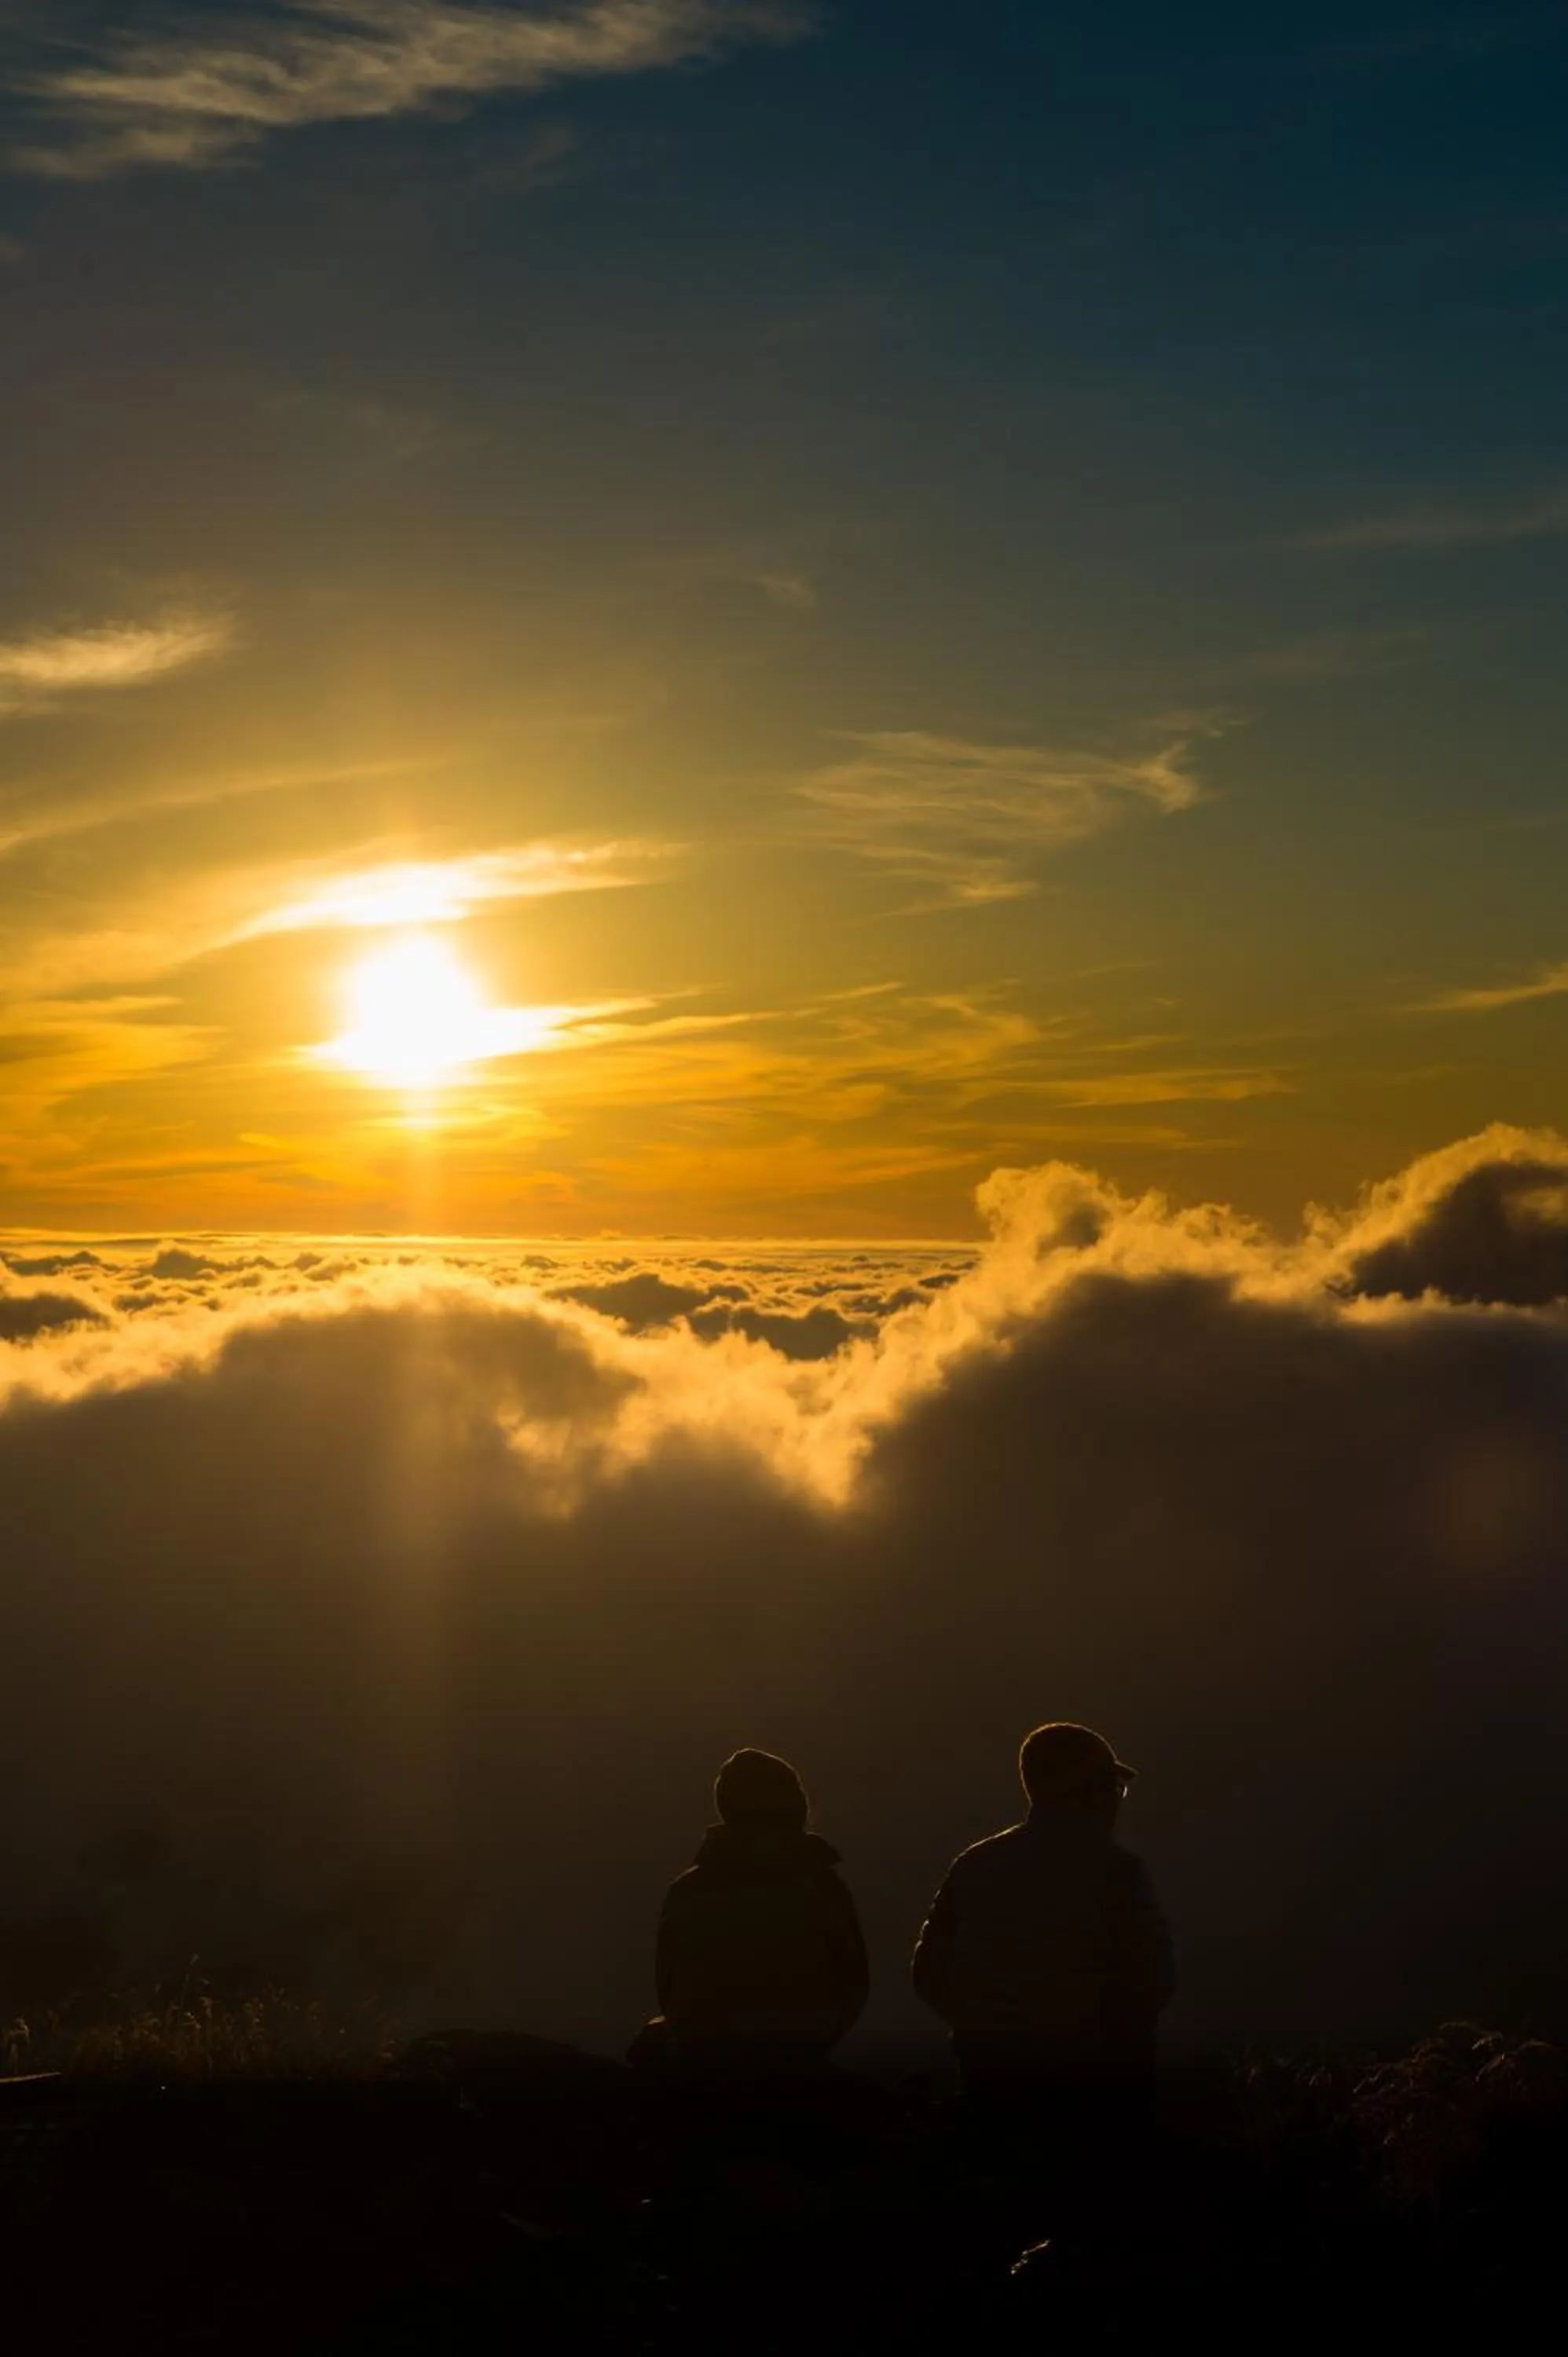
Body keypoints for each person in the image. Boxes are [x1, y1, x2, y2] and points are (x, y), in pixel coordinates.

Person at [911, 1722, 1174, 2107]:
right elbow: (1154, 1977)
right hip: (1098, 2097)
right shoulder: (1117, 1871)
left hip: (993, 2090)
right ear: (1089, 1792)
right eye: (1113, 1788)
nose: (1117, 1801)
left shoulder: (974, 1866)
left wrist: (983, 2031)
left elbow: (929, 1972)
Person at [643, 1747, 869, 2082]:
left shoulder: (689, 1891)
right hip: (797, 2061)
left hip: (705, 2063)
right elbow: (852, 1980)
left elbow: (667, 1980)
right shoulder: (821, 1887)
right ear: (795, 1807)